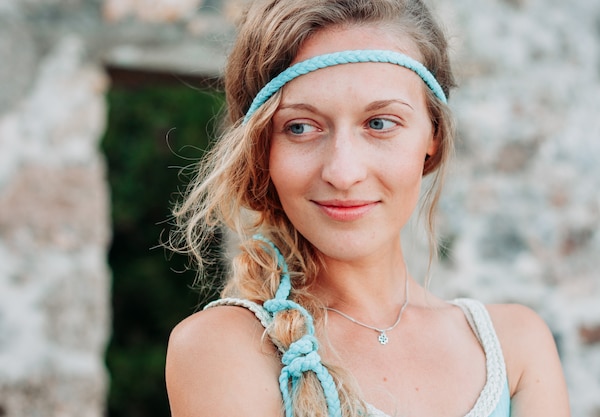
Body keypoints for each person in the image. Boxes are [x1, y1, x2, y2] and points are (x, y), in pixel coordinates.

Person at [165, 0, 571, 416]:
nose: (343, 172)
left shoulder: (514, 347)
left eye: (379, 123)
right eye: (300, 127)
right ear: (262, 151)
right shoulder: (224, 349)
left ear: (431, 137)